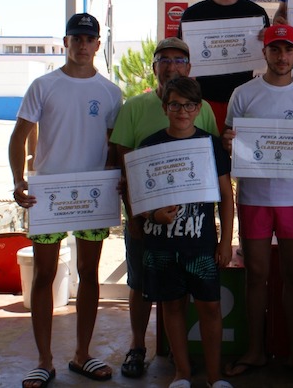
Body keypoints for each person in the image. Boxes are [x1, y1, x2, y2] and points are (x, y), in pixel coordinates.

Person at [11, 13, 121, 388]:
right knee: (44, 275)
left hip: (92, 198)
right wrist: (17, 179)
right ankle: (44, 360)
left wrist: (115, 182)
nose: (83, 45)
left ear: (98, 44)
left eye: (89, 39)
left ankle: (82, 354)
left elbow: (113, 148)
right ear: (66, 41)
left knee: (88, 275)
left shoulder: (110, 92)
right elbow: (18, 135)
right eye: (76, 38)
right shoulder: (43, 85)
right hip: (49, 198)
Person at [221, 24, 293, 381]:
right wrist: (229, 143)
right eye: (275, 49)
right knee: (257, 276)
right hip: (252, 197)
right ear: (265, 52)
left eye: (288, 50)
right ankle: (255, 350)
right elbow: (229, 140)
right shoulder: (244, 93)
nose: (281, 57)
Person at [109, 37, 218, 379]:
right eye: (164, 60)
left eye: (179, 60)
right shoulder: (133, 107)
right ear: (154, 67)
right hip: (147, 220)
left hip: (193, 227)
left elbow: (212, 160)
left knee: (180, 296)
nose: (171, 66)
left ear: (189, 67)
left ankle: (178, 359)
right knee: (142, 284)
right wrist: (137, 217)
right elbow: (124, 166)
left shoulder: (206, 109)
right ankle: (138, 346)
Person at [135, 76, 234, 388]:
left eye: (189, 105)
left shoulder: (210, 144)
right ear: (165, 107)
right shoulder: (149, 145)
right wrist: (153, 214)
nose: (182, 111)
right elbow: (138, 199)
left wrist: (226, 240)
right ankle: (182, 374)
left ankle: (215, 377)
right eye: (175, 105)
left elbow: (226, 195)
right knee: (172, 306)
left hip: (201, 244)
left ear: (198, 108)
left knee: (211, 307)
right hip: (161, 244)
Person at [179, 0, 270, 133]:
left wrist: (269, 41)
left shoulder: (256, 13)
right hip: (204, 100)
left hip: (245, 99)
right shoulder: (193, 15)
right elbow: (181, 59)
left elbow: (272, 57)